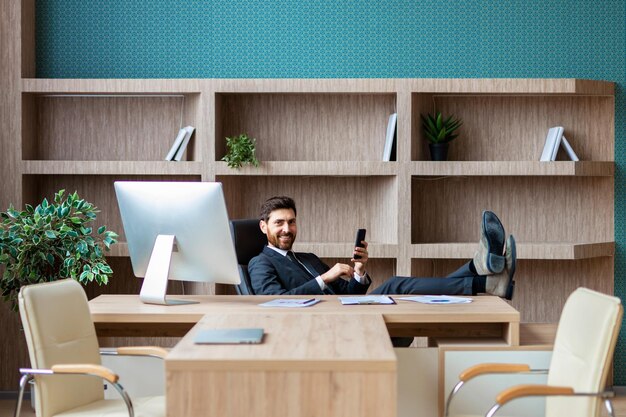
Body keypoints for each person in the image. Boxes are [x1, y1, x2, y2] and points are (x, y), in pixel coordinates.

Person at [248, 196, 516, 300]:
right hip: (329, 324)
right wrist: (324, 278)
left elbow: (350, 293)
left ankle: (480, 275)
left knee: (413, 293)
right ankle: (482, 278)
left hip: (348, 309)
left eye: (291, 222)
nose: (287, 229)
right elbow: (273, 302)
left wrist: (359, 274)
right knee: (398, 284)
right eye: (279, 223)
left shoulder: (307, 258)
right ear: (264, 227)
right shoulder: (260, 263)